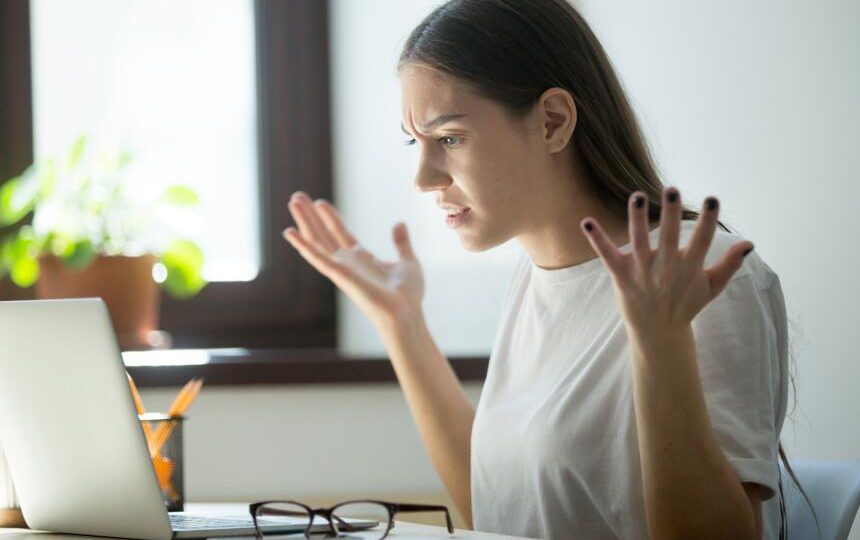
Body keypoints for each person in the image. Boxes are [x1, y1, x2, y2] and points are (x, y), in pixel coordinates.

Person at [282, 1, 795, 538]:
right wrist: (400, 323)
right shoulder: (537, 277)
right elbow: (499, 516)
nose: (424, 178)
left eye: (450, 138)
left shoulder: (701, 272)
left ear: (553, 121)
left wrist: (659, 345)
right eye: (417, 142)